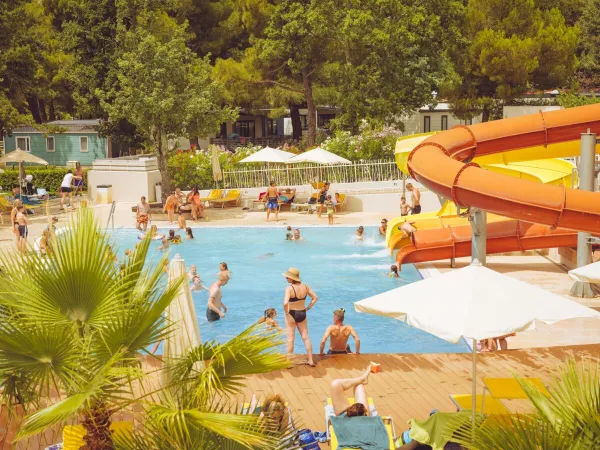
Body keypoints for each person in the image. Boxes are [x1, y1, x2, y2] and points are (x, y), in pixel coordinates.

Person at [282, 267, 318, 367]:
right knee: (306, 337)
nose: (286, 279)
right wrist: (308, 308)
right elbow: (315, 298)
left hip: (291, 314)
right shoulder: (305, 286)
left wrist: (286, 312)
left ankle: (289, 363)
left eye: (287, 277)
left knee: (290, 339)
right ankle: (311, 360)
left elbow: (285, 303)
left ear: (292, 278)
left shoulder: (289, 288)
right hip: (302, 313)